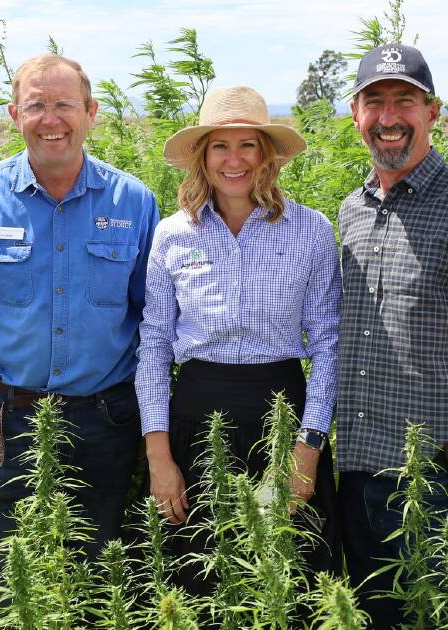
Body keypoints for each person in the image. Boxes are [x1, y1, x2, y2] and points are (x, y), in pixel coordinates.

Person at [0, 53, 159, 557]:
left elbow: (153, 327)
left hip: (105, 422)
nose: (51, 120)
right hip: (5, 420)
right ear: (15, 115)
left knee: (96, 573)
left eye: (64, 104)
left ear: (91, 112)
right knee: (7, 575)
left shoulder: (134, 203)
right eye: (36, 105)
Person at [335, 43, 448, 625]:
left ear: (433, 112)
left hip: (433, 483)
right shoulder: (351, 211)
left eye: (405, 102)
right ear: (355, 115)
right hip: (357, 474)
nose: (389, 118)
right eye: (375, 102)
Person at [136, 85, 343, 595]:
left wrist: (309, 448)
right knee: (201, 588)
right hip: (194, 428)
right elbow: (155, 347)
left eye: (247, 145)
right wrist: (159, 458)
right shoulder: (172, 235)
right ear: (202, 158)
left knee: (289, 588)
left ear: (266, 154)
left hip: (283, 424)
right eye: (220, 146)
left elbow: (329, 343)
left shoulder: (310, 231)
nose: (234, 160)